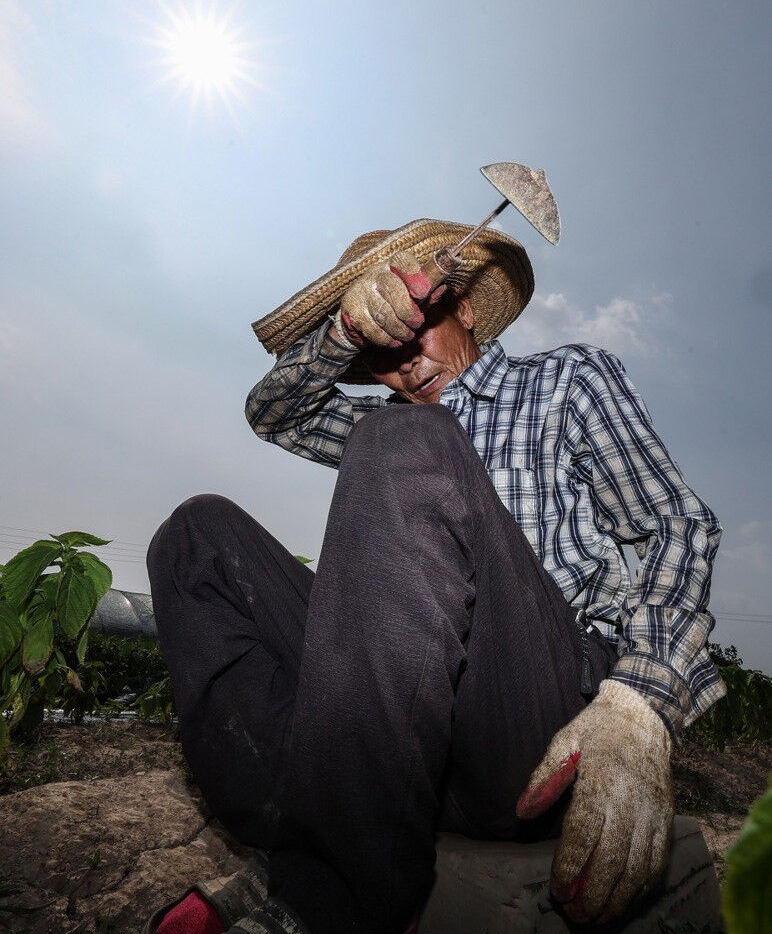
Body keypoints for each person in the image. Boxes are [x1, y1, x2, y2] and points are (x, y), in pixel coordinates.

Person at [145, 219, 724, 934]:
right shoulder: (390, 421)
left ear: (468, 309)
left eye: (418, 331)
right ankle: (296, 835)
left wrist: (641, 703)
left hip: (529, 711)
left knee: (404, 437)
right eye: (382, 358)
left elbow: (676, 523)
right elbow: (275, 415)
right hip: (394, 720)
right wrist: (342, 336)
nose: (407, 368)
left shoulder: (564, 381)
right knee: (198, 535)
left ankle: (331, 900)